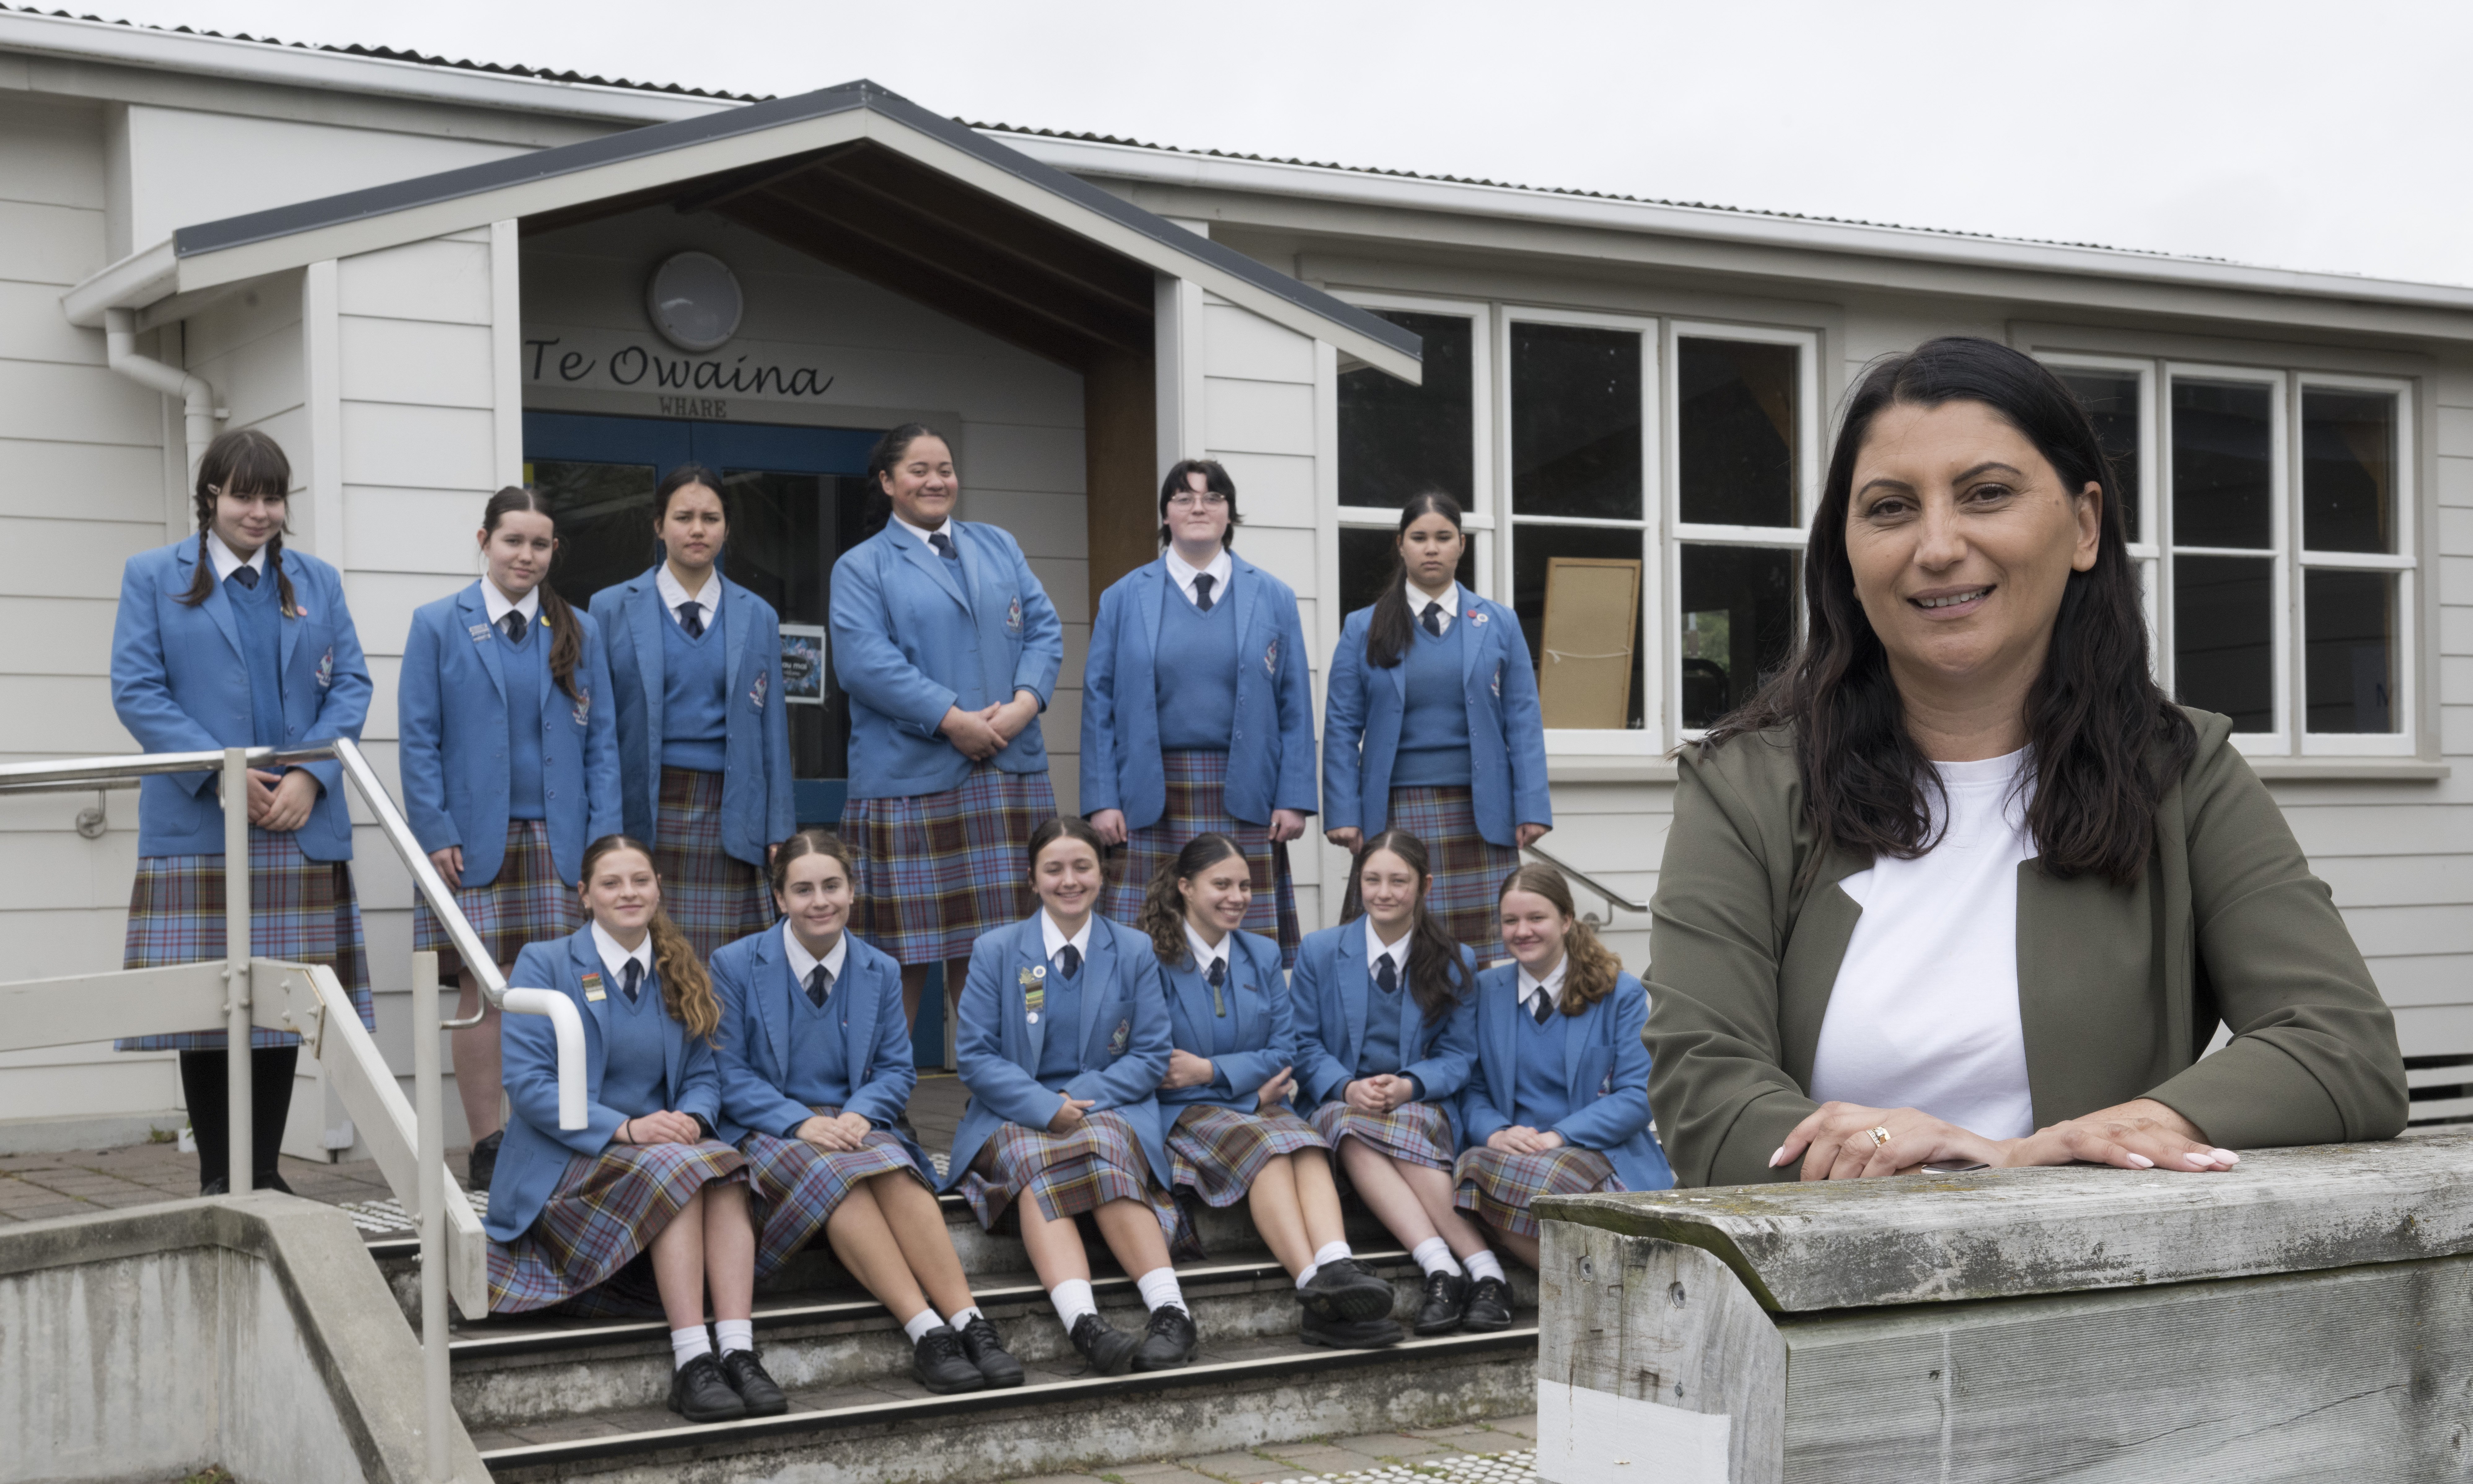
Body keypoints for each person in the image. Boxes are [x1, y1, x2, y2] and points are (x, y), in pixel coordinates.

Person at [1645, 335, 2409, 1189]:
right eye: (1890, 508)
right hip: (1813, 1299)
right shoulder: (1740, 788)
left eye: (1985, 495)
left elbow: (2340, 1047)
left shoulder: (2181, 773)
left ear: (2083, 526)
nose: (1935, 546)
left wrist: (2083, 1141)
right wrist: (1907, 1161)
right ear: (1847, 554)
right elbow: (1702, 1097)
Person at [108, 428, 376, 1195]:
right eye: (242, 496)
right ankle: (219, 1174)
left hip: (297, 820)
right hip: (199, 821)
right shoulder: (152, 575)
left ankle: (263, 1171)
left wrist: (310, 776)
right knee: (206, 1004)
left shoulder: (317, 580)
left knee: (281, 1003)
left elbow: (350, 685)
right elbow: (138, 690)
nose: (259, 513)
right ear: (211, 498)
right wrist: (223, 776)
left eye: (272, 497)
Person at [484, 834, 784, 1425]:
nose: (628, 893)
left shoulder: (677, 966)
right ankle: (691, 1360)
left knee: (721, 1168)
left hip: (663, 1154)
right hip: (570, 1163)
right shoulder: (544, 964)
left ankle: (739, 1351)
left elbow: (704, 1073)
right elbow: (530, 1086)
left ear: (657, 888)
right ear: (585, 895)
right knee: (687, 1168)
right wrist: (627, 1127)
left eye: (640, 880)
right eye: (612, 883)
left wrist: (693, 1120)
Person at [711, 828, 1024, 1394]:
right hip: (772, 1125)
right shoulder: (735, 965)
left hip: (854, 1118)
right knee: (841, 1176)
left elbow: (896, 1071)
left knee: (895, 1170)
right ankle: (926, 1331)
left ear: (853, 891)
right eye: (803, 890)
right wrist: (801, 1123)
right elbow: (728, 1075)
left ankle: (970, 1322)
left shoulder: (879, 968)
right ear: (780, 899)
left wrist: (861, 1113)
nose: (820, 901)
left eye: (832, 885)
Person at [399, 486, 622, 1191]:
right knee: (481, 992)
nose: (526, 555)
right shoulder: (438, 624)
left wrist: (605, 847)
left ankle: (562, 1131)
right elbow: (418, 737)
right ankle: (487, 1140)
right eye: (512, 541)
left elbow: (605, 746)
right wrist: (434, 829)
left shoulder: (579, 628)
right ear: (484, 540)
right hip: (472, 841)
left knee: (569, 988)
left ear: (554, 550)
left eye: (540, 544)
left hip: (564, 843)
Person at [831, 424, 1064, 1037]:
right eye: (918, 469)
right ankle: (882, 1102)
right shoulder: (861, 566)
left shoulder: (999, 545)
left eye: (945, 468)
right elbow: (863, 662)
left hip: (1008, 770)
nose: (935, 481)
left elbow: (1044, 631)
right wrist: (951, 720)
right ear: (887, 483)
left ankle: (1007, 1092)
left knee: (1006, 952)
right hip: (909, 777)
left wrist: (1024, 704)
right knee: (897, 955)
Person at [945, 817, 1194, 1376]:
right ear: (1032, 879)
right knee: (1034, 1159)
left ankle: (1172, 1312)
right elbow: (976, 1057)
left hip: (1107, 1104)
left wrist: (1073, 1098)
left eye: (1082, 867)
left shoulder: (1132, 950)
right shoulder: (995, 951)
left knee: (1103, 1145)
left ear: (1101, 875)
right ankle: (1085, 1324)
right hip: (1012, 1110)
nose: (1069, 881)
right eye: (1053, 869)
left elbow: (1151, 1055)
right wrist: (1041, 1105)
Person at [1139, 832, 1399, 1348]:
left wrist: (1210, 1071)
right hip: (1183, 1113)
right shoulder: (1150, 959)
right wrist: (1243, 1089)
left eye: (1245, 886)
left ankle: (1336, 1266)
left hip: (1251, 1103)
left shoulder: (1259, 953)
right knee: (1273, 1148)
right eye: (1222, 885)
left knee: (1306, 1142)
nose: (1237, 897)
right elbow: (1163, 1067)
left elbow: (1284, 1049)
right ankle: (1316, 1292)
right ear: (1186, 888)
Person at [1084, 459, 1316, 964]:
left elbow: (1293, 702)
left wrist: (1294, 796)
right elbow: (1098, 704)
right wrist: (1102, 799)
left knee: (1243, 941)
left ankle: (1244, 1038)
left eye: (1213, 497)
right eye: (1183, 497)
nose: (1198, 507)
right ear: (1165, 515)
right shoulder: (1123, 598)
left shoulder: (1272, 596)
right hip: (1150, 794)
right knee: (1144, 943)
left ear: (1229, 514)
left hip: (1246, 790)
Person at [1290, 830, 1508, 1337]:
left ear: (1424, 885)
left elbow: (1459, 1057)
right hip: (1339, 1099)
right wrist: (1345, 1087)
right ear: (1359, 883)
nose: (1383, 892)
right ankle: (1459, 1269)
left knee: (1383, 1127)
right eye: (1372, 880)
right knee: (1349, 1125)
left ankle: (1464, 1272)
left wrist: (1410, 1085)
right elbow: (1301, 1044)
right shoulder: (1321, 952)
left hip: (1418, 1103)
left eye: (1398, 881)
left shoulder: (1455, 959)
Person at [1323, 493, 1549, 960]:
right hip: (1393, 811)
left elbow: (1523, 720)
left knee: (1487, 954)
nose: (1432, 548)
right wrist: (1343, 812)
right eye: (1419, 538)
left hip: (1482, 812)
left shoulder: (1499, 622)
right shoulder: (1362, 627)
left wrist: (1531, 804)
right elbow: (1341, 727)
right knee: (1400, 947)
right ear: (1401, 546)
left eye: (1443, 538)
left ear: (1461, 545)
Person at [590, 464, 793, 962]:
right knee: (648, 962)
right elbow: (597, 731)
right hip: (646, 811)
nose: (698, 530)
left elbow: (774, 731)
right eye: (683, 517)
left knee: (726, 971)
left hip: (733, 814)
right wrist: (603, 828)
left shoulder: (757, 614)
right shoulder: (610, 608)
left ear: (727, 528)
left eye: (711, 517)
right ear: (659, 525)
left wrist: (779, 832)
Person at [1455, 863, 1669, 1269]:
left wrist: (1559, 1136)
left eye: (1536, 918)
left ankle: (1599, 1282)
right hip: (1514, 1156)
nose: (1522, 931)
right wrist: (1497, 1133)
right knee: (1471, 1170)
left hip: (1598, 1152)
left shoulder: (1617, 992)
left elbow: (1639, 1095)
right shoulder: (1484, 992)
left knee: (1542, 1182)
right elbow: (1473, 1088)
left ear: (1566, 920)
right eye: (1510, 921)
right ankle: (1592, 1285)